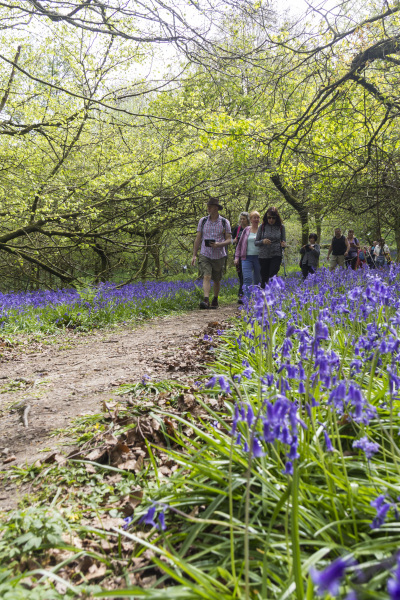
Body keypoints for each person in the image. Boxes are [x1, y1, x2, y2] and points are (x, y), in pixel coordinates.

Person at [191, 198, 232, 309]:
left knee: (217, 279)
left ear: (216, 208)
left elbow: (229, 239)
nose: (208, 208)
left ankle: (215, 299)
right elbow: (198, 238)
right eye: (207, 206)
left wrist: (219, 244)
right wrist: (194, 255)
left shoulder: (224, 222)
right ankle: (206, 300)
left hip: (219, 255)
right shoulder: (203, 221)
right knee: (207, 276)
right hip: (205, 253)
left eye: (210, 206)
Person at [255, 207, 286, 288]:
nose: (271, 220)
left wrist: (283, 244)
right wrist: (263, 241)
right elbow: (256, 242)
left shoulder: (281, 227)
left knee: (273, 275)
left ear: (276, 218)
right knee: (264, 278)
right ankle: (263, 297)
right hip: (263, 256)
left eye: (273, 218)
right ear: (266, 217)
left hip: (276, 254)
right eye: (269, 218)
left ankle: (272, 295)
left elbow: (283, 242)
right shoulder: (262, 227)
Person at [234, 211, 261, 299]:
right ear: (251, 219)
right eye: (254, 217)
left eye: (258, 217)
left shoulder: (262, 229)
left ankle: (257, 300)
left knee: (258, 280)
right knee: (247, 279)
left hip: (259, 258)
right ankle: (247, 300)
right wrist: (237, 257)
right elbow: (240, 244)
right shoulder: (246, 230)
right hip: (246, 258)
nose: (256, 219)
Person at [232, 212, 250, 302]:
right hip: (238, 255)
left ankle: (242, 294)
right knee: (241, 275)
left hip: (249, 254)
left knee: (246, 276)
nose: (242, 220)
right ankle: (242, 294)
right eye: (241, 219)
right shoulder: (237, 229)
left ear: (248, 219)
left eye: (244, 219)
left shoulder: (251, 229)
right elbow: (231, 240)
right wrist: (233, 241)